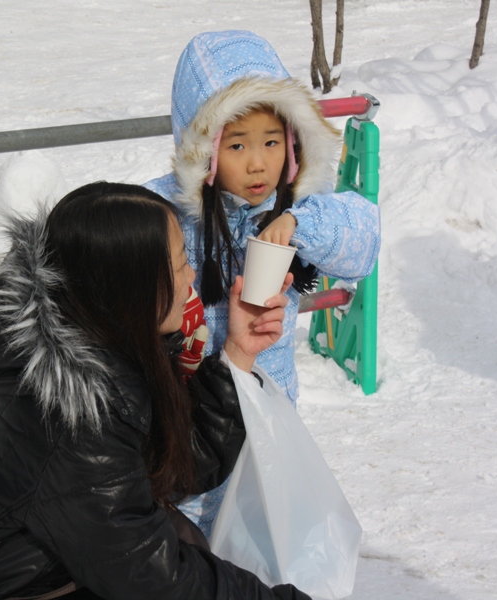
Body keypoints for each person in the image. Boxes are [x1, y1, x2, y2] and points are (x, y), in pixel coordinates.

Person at [0, 182, 309, 600]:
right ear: (132, 285)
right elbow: (155, 578)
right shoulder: (76, 414)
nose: (191, 277)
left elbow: (180, 467)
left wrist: (237, 353)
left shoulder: (100, 340)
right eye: (181, 263)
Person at [144, 30, 381, 537]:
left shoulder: (297, 208)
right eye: (237, 145)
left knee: (262, 542)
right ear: (203, 150)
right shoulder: (166, 214)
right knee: (194, 548)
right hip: (189, 426)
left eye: (271, 142)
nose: (258, 163)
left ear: (292, 142)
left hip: (269, 424)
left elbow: (363, 242)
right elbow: (108, 248)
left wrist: (300, 224)